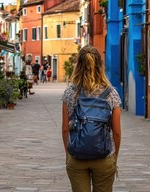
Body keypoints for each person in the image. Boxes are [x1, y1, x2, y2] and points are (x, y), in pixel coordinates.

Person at [61, 45, 121, 192]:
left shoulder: (70, 93)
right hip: (104, 158)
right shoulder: (111, 94)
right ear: (100, 65)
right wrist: (114, 156)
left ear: (78, 66)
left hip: (77, 158)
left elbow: (65, 129)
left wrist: (68, 154)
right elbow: (117, 132)